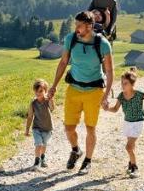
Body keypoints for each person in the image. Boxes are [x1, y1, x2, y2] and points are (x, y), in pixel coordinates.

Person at [47, 10, 114, 173]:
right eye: (75, 25)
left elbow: (110, 71)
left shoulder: (103, 44)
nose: (76, 28)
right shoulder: (71, 39)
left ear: (90, 26)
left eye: (79, 25)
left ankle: (87, 161)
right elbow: (63, 62)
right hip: (74, 89)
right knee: (69, 128)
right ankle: (76, 150)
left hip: (94, 91)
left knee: (90, 128)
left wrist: (106, 95)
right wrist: (54, 85)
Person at [103, 67, 144, 177]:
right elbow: (115, 109)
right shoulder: (121, 96)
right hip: (127, 123)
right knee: (132, 146)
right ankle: (131, 163)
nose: (123, 85)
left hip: (138, 123)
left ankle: (135, 168)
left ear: (132, 84)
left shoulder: (138, 94)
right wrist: (107, 108)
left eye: (125, 83)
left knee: (128, 147)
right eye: (122, 83)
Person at [24, 78, 54, 168]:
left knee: (44, 145)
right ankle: (36, 162)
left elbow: (52, 108)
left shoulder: (47, 100)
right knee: (39, 144)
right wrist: (27, 130)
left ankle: (42, 158)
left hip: (48, 128)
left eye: (41, 91)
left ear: (45, 91)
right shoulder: (33, 103)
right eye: (36, 92)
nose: (38, 94)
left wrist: (51, 99)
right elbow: (30, 117)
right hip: (36, 128)